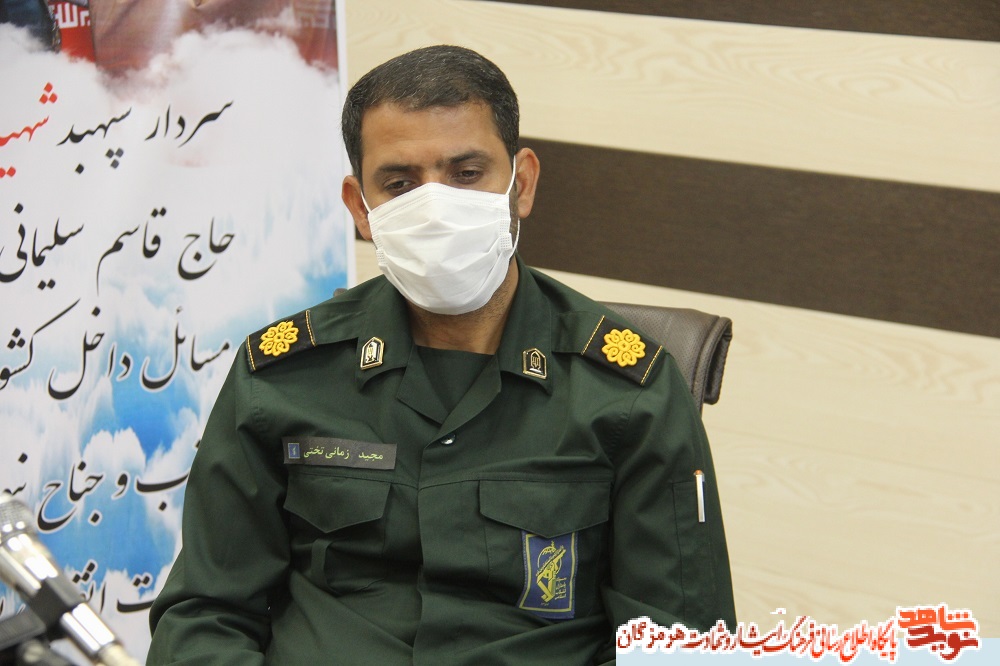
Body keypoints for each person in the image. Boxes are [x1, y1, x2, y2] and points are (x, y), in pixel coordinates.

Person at [147, 44, 736, 665]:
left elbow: (681, 648)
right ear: (361, 208)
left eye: (466, 173)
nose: (434, 207)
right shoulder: (282, 377)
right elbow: (205, 614)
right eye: (399, 184)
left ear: (522, 184)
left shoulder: (628, 391)